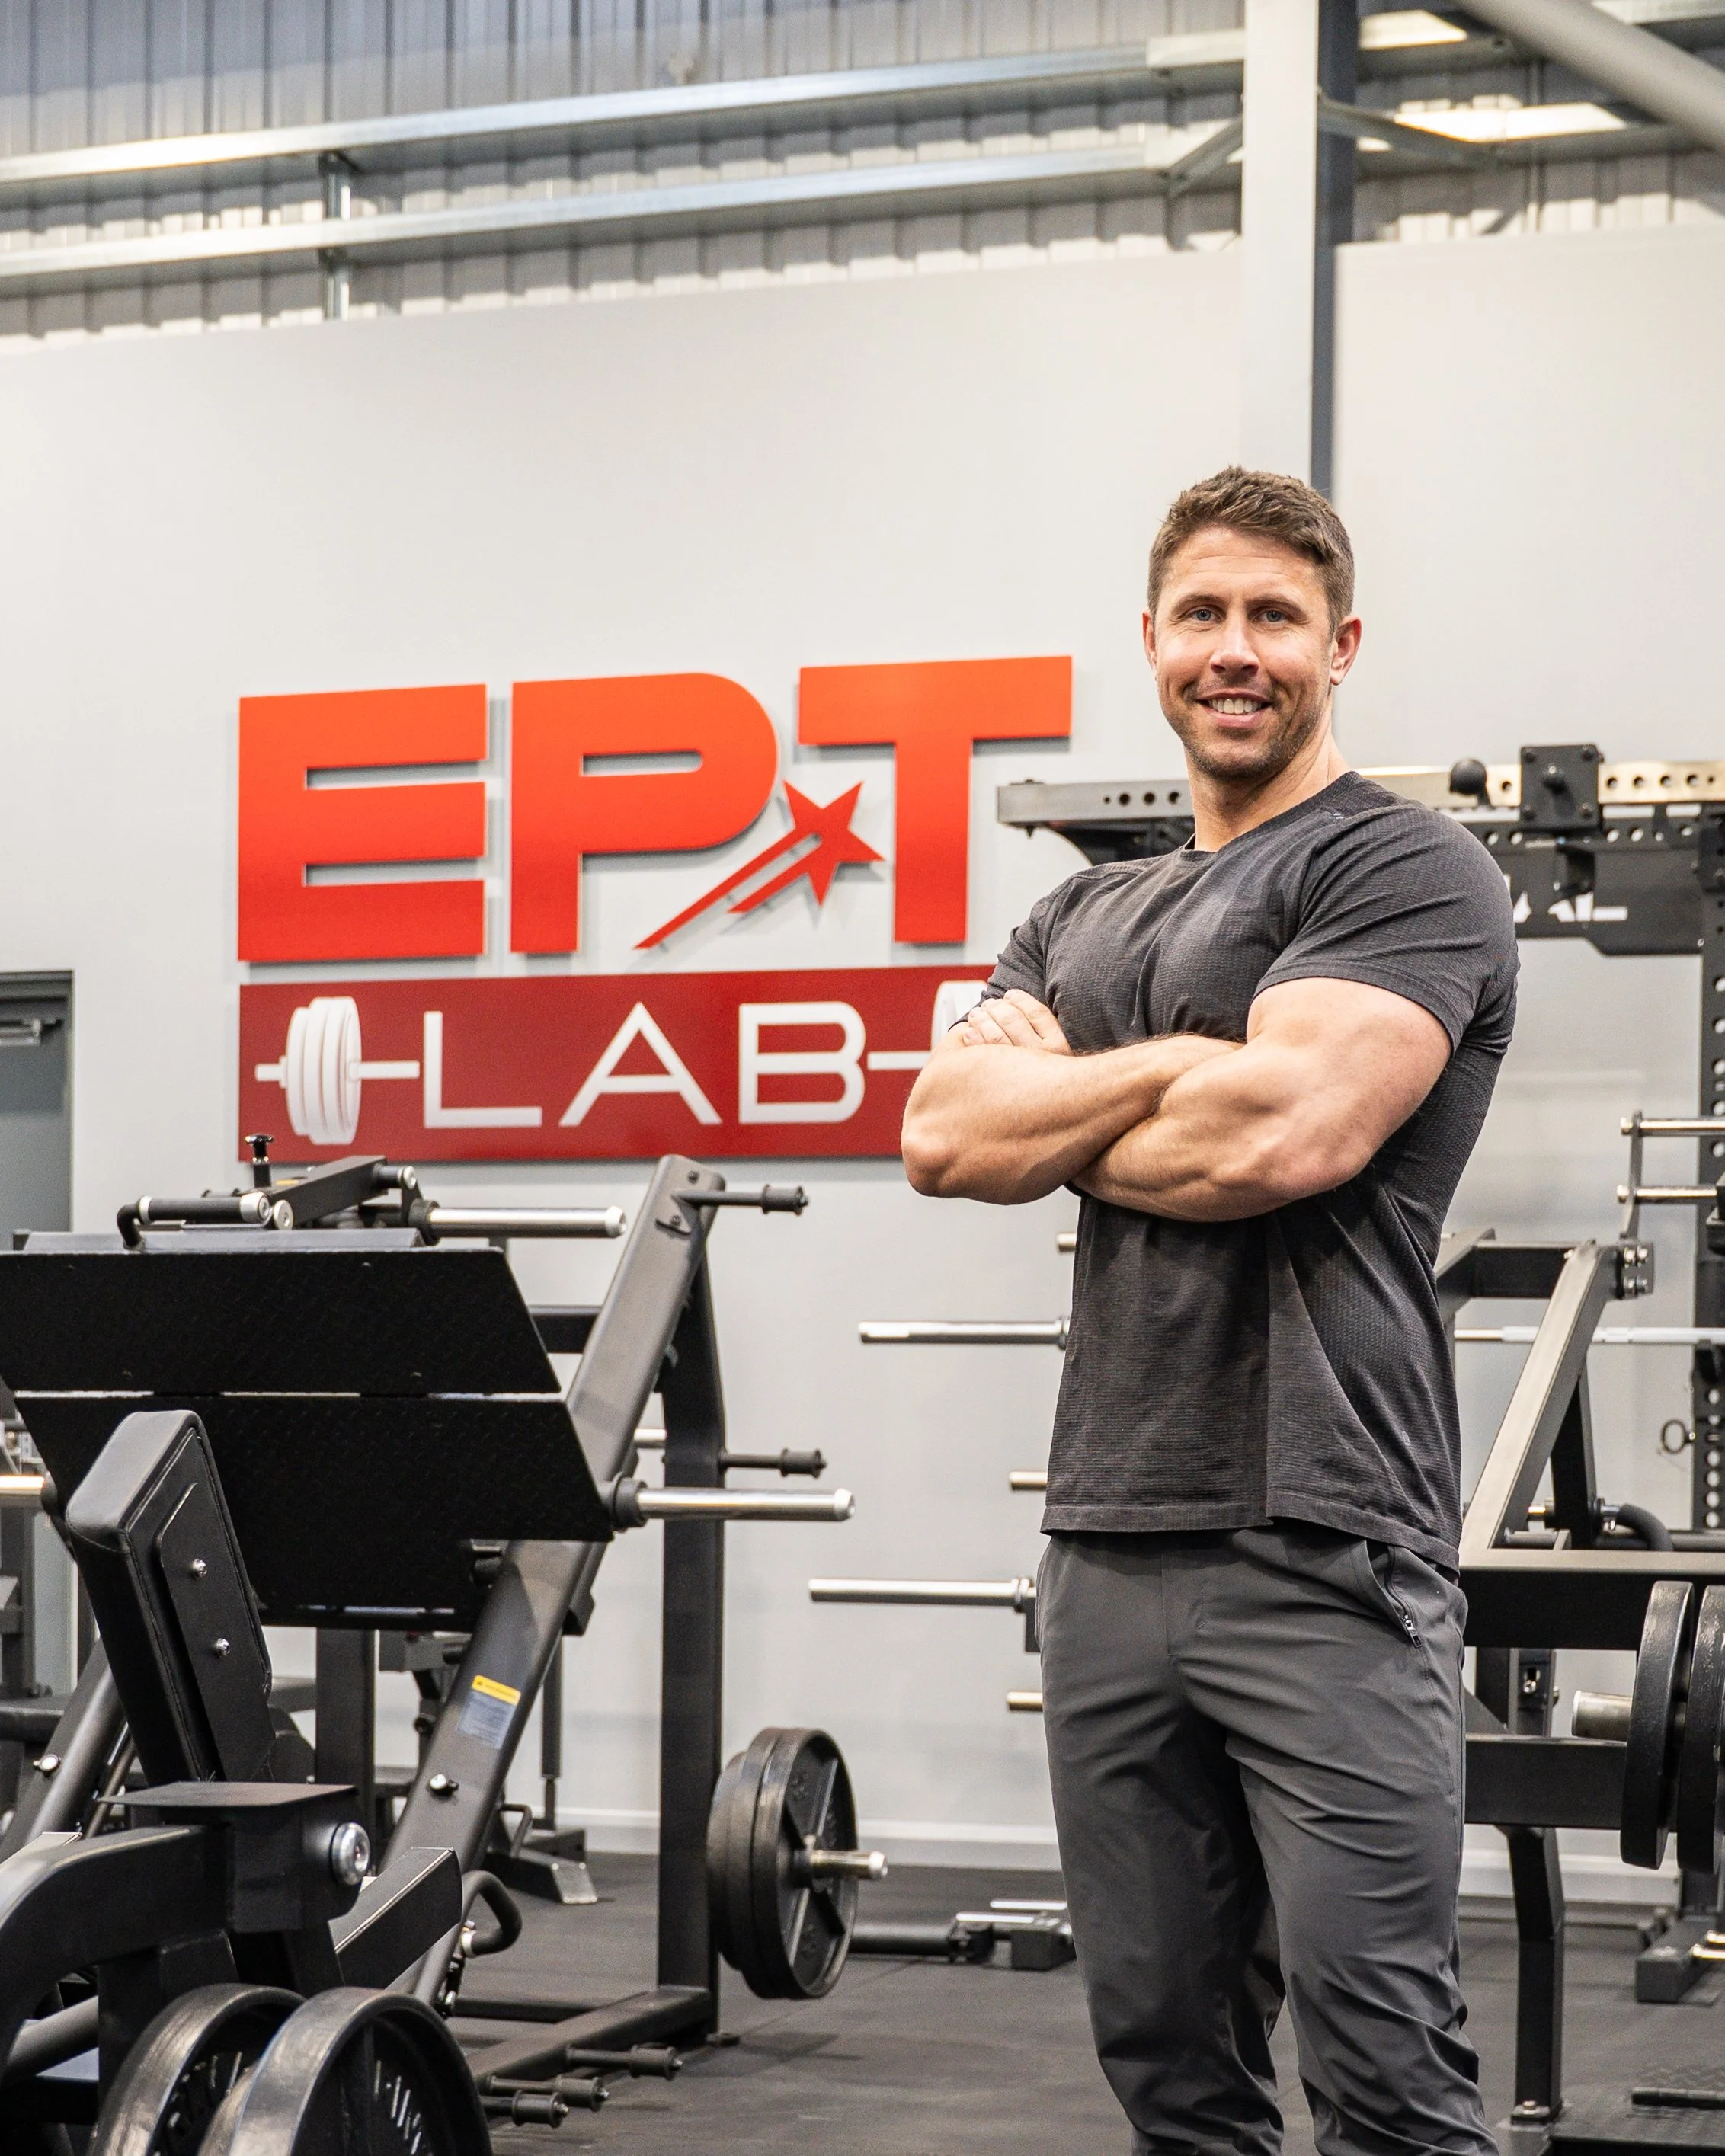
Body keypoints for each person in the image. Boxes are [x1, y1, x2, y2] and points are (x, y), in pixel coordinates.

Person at [901, 467, 1515, 2156]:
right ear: (1151, 640)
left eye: (1271, 617)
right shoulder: (1077, 909)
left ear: (1340, 643)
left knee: (1385, 2073)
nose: (1232, 650)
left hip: (1320, 1537)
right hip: (1103, 1538)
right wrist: (1184, 1057)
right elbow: (941, 1137)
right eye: (1201, 615)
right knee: (1169, 2069)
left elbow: (1281, 1136)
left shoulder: (1404, 866)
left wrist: (1086, 1095)